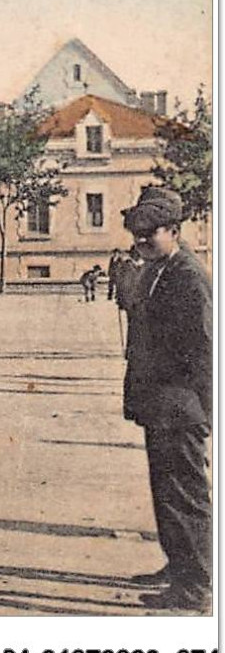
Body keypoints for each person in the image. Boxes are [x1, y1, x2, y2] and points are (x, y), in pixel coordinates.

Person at [120, 186, 212, 612]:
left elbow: (207, 347)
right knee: (167, 492)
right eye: (136, 235)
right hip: (161, 405)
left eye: (149, 233)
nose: (140, 242)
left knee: (186, 496)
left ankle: (196, 587)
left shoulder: (188, 275)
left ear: (174, 230)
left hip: (181, 407)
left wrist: (207, 410)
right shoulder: (160, 267)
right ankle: (179, 566)